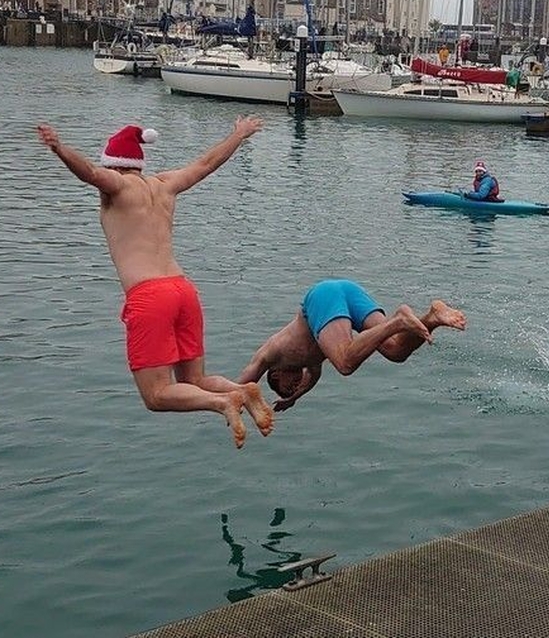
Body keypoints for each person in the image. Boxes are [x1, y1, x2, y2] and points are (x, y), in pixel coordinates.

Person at [36, 117, 274, 449]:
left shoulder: (116, 187)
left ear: (114, 166)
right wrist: (238, 134)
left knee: (156, 395)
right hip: (183, 289)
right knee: (195, 380)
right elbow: (206, 164)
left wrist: (59, 149)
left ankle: (224, 402)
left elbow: (89, 172)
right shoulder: (165, 184)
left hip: (150, 296)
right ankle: (240, 391)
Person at [238, 279, 467, 411]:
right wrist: (293, 398)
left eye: (287, 387)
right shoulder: (311, 365)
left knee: (345, 363)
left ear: (276, 375)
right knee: (396, 350)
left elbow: (245, 379)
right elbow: (310, 380)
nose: (294, 385)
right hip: (347, 290)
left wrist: (230, 403)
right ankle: (433, 316)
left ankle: (399, 320)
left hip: (321, 296)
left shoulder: (271, 353)